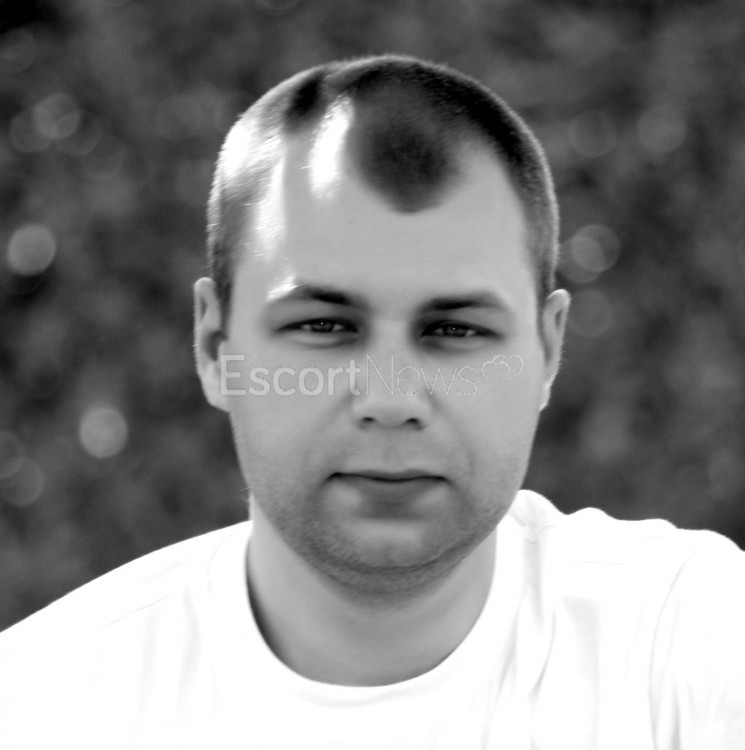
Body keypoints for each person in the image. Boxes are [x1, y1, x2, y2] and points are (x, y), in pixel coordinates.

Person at [1, 54, 743, 749]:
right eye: (324, 327)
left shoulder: (685, 642)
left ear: (547, 351)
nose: (390, 401)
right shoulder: (40, 709)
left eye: (455, 330)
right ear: (216, 348)